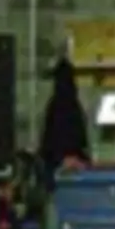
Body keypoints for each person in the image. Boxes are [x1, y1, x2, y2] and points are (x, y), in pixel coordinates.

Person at [38, 57, 90, 189]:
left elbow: (50, 139)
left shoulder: (55, 106)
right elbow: (80, 137)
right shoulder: (74, 105)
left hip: (56, 164)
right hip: (74, 164)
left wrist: (59, 158)